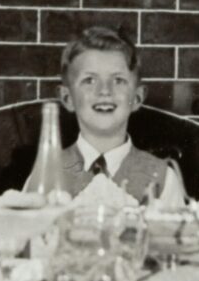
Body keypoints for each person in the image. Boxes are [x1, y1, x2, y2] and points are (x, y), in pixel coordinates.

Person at [55, 26, 185, 202]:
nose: (105, 91)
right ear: (68, 98)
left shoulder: (163, 179)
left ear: (137, 98)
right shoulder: (47, 173)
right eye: (89, 80)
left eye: (118, 80)